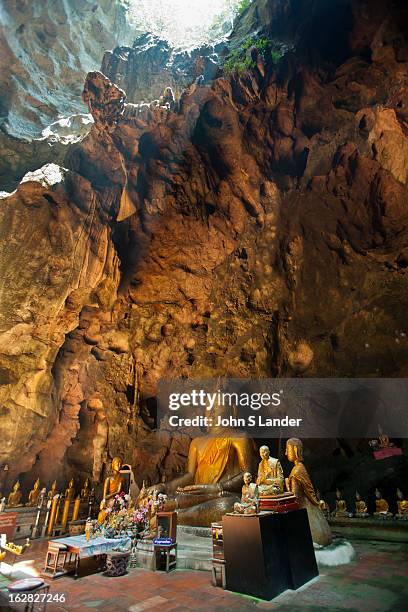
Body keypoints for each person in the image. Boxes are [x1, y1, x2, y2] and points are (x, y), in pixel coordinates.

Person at [285, 438, 332, 546]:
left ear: (295, 450)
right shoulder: (300, 467)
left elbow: (295, 498)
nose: (286, 453)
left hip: (304, 512)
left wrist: (287, 485)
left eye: (288, 449)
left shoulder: (297, 471)